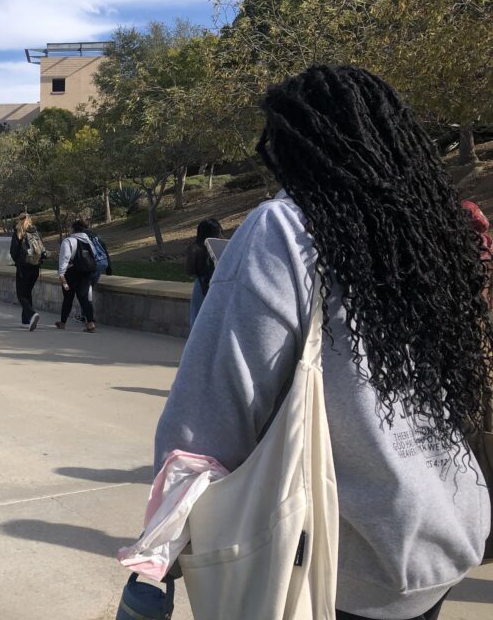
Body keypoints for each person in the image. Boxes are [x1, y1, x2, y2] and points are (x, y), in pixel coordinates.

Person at [153, 66, 491, 620]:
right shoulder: (428, 229)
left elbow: (214, 406)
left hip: (342, 559)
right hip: (442, 529)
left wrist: (164, 535)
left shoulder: (284, 230)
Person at [55, 219, 97, 332]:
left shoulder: (69, 241)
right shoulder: (89, 241)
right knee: (84, 297)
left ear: (73, 229)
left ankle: (63, 323)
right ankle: (91, 323)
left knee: (68, 298)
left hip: (71, 273)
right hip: (87, 272)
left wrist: (61, 274)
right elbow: (95, 255)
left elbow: (64, 258)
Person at [184, 218, 222, 327]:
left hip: (201, 284)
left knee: (197, 316)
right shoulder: (221, 247)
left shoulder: (195, 248)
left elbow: (190, 270)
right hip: (217, 283)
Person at [9, 213, 43, 331]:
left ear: (19, 220)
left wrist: (18, 261)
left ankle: (32, 314)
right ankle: (26, 321)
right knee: (27, 293)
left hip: (23, 268)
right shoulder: (36, 232)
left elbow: (13, 251)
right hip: (35, 267)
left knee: (21, 294)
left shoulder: (19, 233)